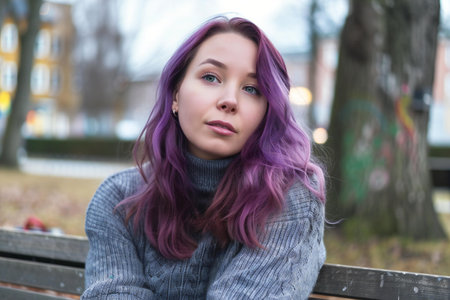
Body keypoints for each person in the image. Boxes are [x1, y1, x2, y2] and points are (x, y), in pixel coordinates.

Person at [82, 16, 326, 300]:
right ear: (175, 94)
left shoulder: (288, 198)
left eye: (252, 89)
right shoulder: (119, 202)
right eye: (211, 77)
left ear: (267, 112)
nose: (229, 100)